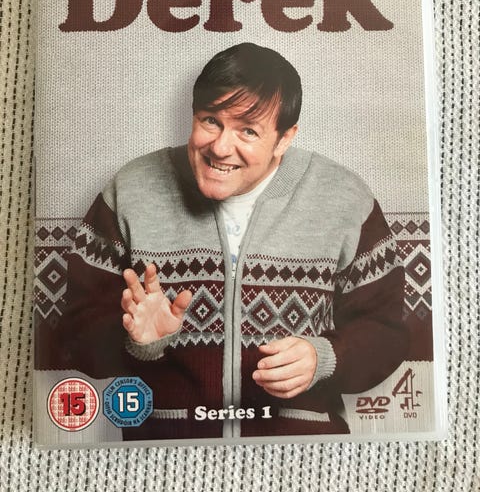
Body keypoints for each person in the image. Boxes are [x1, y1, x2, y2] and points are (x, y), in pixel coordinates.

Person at [63, 43, 407, 440]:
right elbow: (75, 336)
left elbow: (387, 333)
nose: (221, 148)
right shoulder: (129, 190)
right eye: (211, 121)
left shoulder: (346, 199)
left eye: (248, 130)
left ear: (284, 139)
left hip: (303, 451)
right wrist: (138, 341)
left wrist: (324, 357)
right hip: (164, 452)